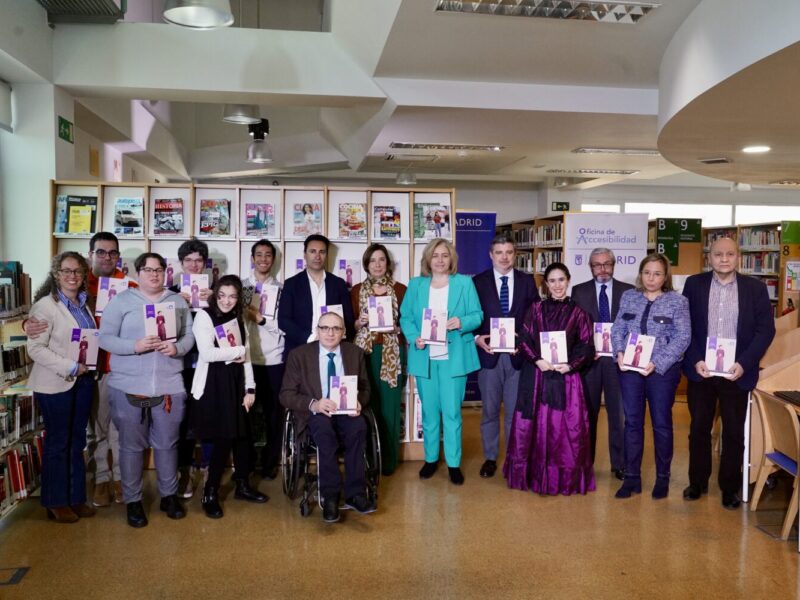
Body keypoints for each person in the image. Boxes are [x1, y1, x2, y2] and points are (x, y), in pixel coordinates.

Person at [25, 231, 136, 508]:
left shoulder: (128, 286)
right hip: (87, 372)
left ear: (118, 256)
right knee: (93, 431)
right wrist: (27, 324)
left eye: (112, 253)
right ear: (91, 255)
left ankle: (120, 481)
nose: (106, 257)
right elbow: (42, 317)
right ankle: (100, 480)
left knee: (118, 431)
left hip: (121, 369)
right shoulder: (80, 288)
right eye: (101, 252)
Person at [99, 252, 194, 528]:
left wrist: (178, 348)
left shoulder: (176, 301)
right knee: (130, 447)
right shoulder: (121, 301)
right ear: (137, 273)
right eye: (148, 269)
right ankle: (133, 500)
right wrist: (134, 346)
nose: (154, 274)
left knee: (167, 443)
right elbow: (104, 338)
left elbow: (189, 335)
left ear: (166, 272)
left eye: (159, 269)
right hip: (129, 385)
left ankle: (169, 496)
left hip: (169, 386)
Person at [682, 236, 775, 510]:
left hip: (737, 372)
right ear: (709, 257)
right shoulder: (694, 284)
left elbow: (765, 330)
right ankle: (697, 482)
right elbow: (685, 325)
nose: (724, 259)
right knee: (699, 428)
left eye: (730, 254)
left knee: (734, 432)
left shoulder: (755, 289)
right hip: (703, 371)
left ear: (738, 257)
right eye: (718, 254)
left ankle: (729, 488)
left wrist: (745, 363)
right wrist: (696, 358)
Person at [503, 262, 595, 496]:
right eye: (552, 281)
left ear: (568, 280)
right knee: (533, 426)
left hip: (566, 380)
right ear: (546, 284)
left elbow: (586, 347)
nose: (557, 285)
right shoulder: (535, 309)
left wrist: (569, 366)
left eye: (561, 280)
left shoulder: (580, 313)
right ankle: (533, 475)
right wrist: (537, 361)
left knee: (563, 430)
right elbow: (523, 339)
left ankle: (560, 478)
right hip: (537, 377)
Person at [400, 238, 482, 485]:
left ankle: (454, 464)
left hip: (453, 359)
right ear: (428, 259)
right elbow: (405, 317)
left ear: (451, 259)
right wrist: (415, 338)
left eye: (444, 255)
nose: (439, 259)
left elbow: (477, 314)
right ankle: (431, 459)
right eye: (435, 255)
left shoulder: (464, 283)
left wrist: (461, 322)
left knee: (452, 413)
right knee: (429, 413)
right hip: (425, 358)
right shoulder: (415, 286)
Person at [280, 311, 373, 524]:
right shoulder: (299, 355)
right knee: (324, 432)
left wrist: (360, 401)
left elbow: (366, 388)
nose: (330, 333)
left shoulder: (354, 353)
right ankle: (330, 496)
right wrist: (314, 403)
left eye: (336, 328)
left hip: (346, 410)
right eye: (325, 328)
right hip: (317, 411)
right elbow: (285, 394)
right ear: (317, 331)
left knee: (359, 428)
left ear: (344, 332)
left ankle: (356, 494)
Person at [611, 253, 690, 500]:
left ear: (665, 276)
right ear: (640, 274)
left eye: (657, 273)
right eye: (647, 273)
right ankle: (632, 477)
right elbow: (618, 329)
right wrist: (619, 353)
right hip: (631, 370)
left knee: (661, 424)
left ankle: (662, 478)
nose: (651, 278)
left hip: (661, 372)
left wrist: (658, 363)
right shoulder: (629, 297)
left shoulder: (678, 301)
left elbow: (683, 337)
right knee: (632, 423)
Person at [27, 252, 98, 523]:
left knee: (77, 441)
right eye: (66, 271)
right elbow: (35, 349)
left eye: (78, 272)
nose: (72, 276)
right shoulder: (45, 306)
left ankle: (76, 497)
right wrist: (70, 366)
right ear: (56, 274)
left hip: (82, 382)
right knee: (58, 443)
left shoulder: (83, 304)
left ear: (83, 276)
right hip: (56, 384)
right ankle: (56, 501)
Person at [191, 275, 267, 518]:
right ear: (214, 294)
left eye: (232, 296)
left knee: (244, 438)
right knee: (224, 439)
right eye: (222, 295)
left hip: (237, 383)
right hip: (214, 384)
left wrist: (251, 388)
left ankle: (243, 485)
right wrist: (238, 350)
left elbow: (246, 358)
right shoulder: (204, 316)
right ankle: (210, 492)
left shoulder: (239, 317)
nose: (226, 301)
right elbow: (207, 353)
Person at [473, 234, 539, 478]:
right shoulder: (478, 282)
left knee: (514, 412)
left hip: (517, 357)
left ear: (515, 255)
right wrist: (476, 338)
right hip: (489, 357)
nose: (504, 257)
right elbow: (471, 315)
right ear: (491, 255)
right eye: (499, 252)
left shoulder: (526, 281)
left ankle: (515, 458)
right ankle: (490, 458)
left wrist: (523, 340)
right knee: (489, 411)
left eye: (509, 252)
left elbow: (535, 316)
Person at [571, 247, 634, 480]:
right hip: (591, 363)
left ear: (614, 265)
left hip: (619, 362)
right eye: (597, 265)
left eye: (607, 264)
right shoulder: (579, 291)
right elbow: (574, 328)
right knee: (588, 414)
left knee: (618, 415)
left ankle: (618, 464)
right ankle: (586, 464)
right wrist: (583, 351)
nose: (603, 269)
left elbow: (634, 326)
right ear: (590, 267)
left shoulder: (628, 292)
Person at [351, 243, 407, 476]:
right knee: (365, 405)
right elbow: (350, 326)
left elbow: (409, 325)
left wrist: (397, 328)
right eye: (372, 260)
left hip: (392, 353)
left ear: (387, 264)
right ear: (366, 264)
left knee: (390, 407)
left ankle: (389, 461)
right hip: (365, 354)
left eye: (381, 259)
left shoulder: (402, 290)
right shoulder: (355, 291)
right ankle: (367, 459)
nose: (377, 264)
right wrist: (359, 323)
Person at [169, 239, 212, 498]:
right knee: (181, 420)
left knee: (207, 417)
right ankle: (184, 470)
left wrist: (215, 302)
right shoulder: (170, 292)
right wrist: (176, 303)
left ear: (205, 264)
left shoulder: (216, 292)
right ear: (181, 264)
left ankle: (207, 468)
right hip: (179, 366)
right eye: (189, 261)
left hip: (208, 366)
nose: (194, 265)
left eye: (199, 260)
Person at [242, 239, 286, 480]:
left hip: (273, 360)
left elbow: (284, 327)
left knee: (273, 416)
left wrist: (260, 319)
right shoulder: (240, 287)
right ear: (252, 257)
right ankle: (247, 463)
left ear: (273, 259)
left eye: (268, 255)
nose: (263, 259)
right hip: (246, 360)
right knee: (245, 416)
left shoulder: (282, 289)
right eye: (259, 254)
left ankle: (270, 463)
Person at [278, 234, 355, 360]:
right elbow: (283, 320)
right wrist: (311, 337)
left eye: (322, 252)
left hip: (333, 350)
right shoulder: (291, 284)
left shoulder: (338, 284)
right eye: (312, 251)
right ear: (305, 254)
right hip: (300, 349)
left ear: (327, 255)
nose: (317, 256)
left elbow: (348, 319)